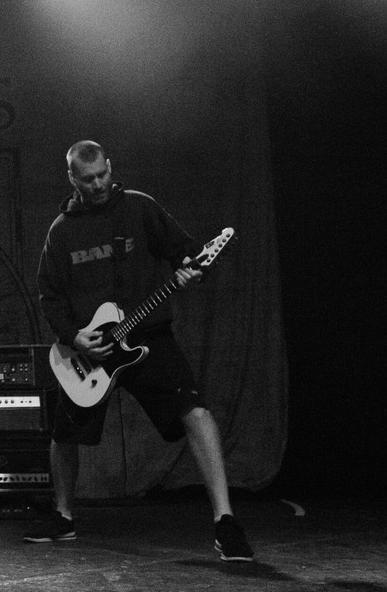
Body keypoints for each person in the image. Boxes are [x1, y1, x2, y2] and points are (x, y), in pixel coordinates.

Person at [26, 140, 254, 561]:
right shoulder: (61, 231)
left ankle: (226, 523)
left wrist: (191, 270)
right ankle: (62, 517)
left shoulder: (140, 207)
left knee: (196, 411)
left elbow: (184, 252)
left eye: (103, 176)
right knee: (63, 433)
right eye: (88, 179)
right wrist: (74, 336)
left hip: (147, 336)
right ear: (72, 178)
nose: (97, 185)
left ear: (110, 168)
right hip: (90, 353)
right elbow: (48, 295)